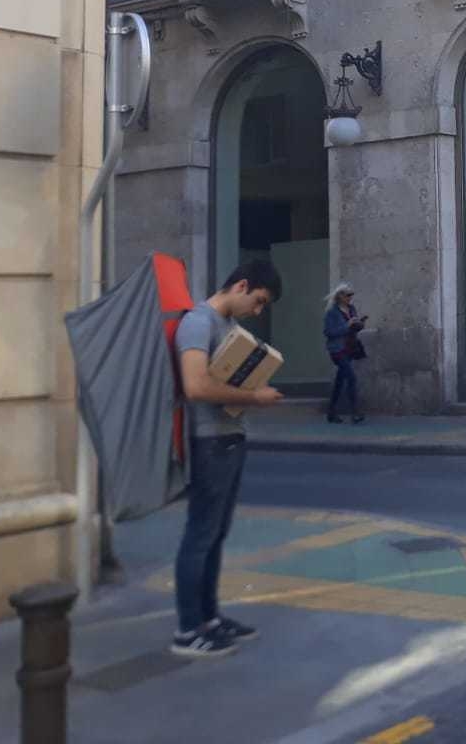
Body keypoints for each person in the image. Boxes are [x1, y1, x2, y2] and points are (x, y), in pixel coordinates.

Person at [172, 259, 285, 659]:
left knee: (216, 534)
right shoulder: (199, 323)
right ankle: (188, 630)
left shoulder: (230, 330)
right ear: (240, 286)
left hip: (230, 438)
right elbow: (197, 386)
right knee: (200, 534)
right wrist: (254, 397)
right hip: (208, 443)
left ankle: (210, 619)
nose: (257, 312)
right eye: (258, 302)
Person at [322, 281, 367, 425]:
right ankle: (355, 412)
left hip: (350, 348)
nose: (350, 298)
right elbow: (329, 332)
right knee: (351, 377)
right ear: (340, 296)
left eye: (351, 295)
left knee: (340, 381)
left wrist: (359, 324)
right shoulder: (331, 313)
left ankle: (331, 411)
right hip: (337, 350)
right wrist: (347, 325)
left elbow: (354, 329)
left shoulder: (351, 309)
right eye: (348, 295)